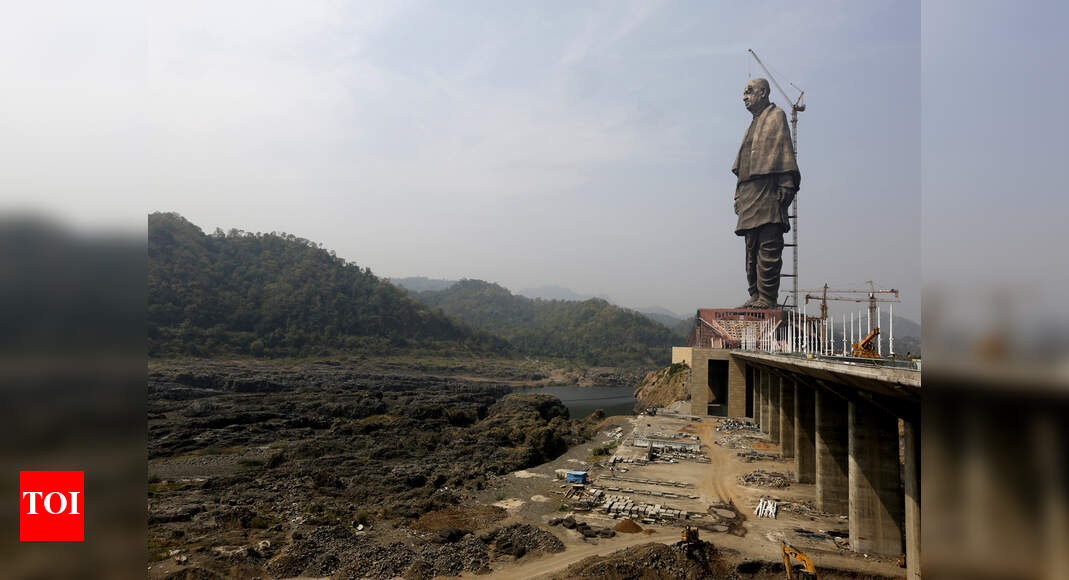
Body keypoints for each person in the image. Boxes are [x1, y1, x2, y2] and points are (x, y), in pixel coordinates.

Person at [732, 78, 800, 309]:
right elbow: (742, 164)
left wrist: (787, 182)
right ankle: (755, 295)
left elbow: (784, 151)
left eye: (749, 91)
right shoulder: (752, 124)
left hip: (769, 190)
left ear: (763, 92)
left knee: (769, 246)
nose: (744, 97)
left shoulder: (776, 115)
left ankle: (767, 298)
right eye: (743, 93)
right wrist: (738, 194)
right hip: (749, 192)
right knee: (750, 249)